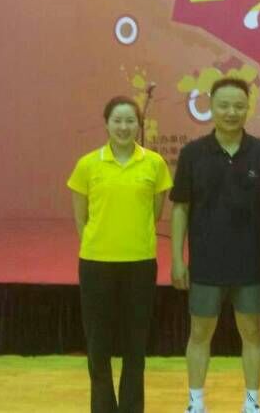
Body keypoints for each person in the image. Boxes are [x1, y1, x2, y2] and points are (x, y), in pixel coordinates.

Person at [169, 77, 260, 413]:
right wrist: (177, 259)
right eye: (224, 105)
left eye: (238, 106)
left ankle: (252, 402)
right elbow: (180, 208)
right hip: (205, 263)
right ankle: (196, 403)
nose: (231, 112)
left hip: (250, 264)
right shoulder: (192, 153)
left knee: (252, 332)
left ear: (248, 108)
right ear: (211, 107)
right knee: (200, 333)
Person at [67, 96, 173, 413]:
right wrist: (99, 243)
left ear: (139, 125)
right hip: (96, 264)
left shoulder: (154, 164)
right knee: (98, 345)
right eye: (117, 120)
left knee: (135, 346)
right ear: (106, 124)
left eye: (130, 121)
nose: (124, 127)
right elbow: (81, 218)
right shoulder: (88, 165)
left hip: (140, 263)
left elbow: (155, 213)